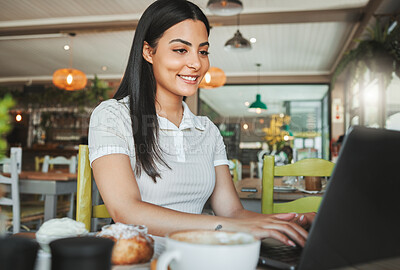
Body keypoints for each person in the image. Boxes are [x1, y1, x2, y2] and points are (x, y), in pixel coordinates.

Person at [89, 0, 314, 247]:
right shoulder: (112, 116)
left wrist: (284, 223)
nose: (197, 64)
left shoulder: (207, 130)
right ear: (148, 52)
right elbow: (126, 211)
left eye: (203, 51)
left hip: (200, 257)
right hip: (141, 259)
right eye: (180, 50)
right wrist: (223, 226)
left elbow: (231, 213)